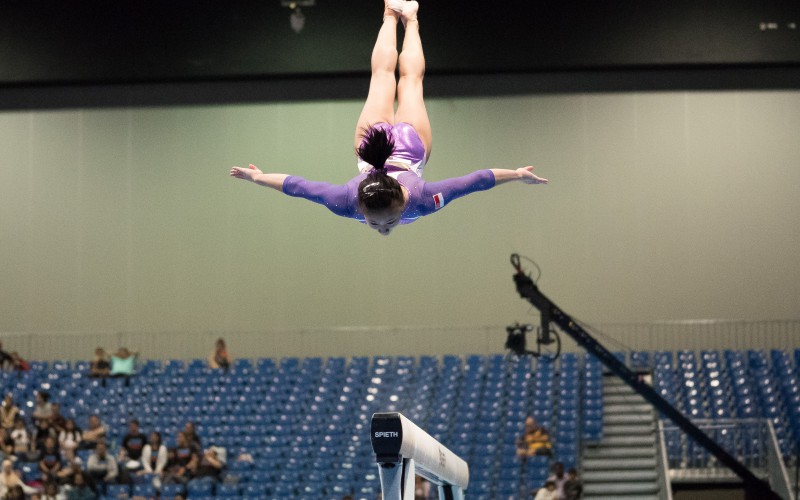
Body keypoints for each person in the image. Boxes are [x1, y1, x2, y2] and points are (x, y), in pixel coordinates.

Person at [229, 0, 548, 237]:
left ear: (362, 207)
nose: (382, 228)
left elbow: (297, 186)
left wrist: (260, 178)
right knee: (397, 79)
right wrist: (516, 174)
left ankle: (400, 16)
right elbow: (477, 180)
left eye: (382, 221)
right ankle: (400, 17)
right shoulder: (412, 200)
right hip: (379, 145)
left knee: (398, 79)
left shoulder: (386, 202)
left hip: (407, 148)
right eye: (386, 221)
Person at [117, 419, 145, 484]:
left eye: (134, 426)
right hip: (129, 458)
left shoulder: (142, 437)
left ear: (137, 426)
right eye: (131, 426)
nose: (132, 428)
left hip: (140, 458)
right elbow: (123, 449)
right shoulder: (127, 437)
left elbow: (146, 449)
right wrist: (122, 456)